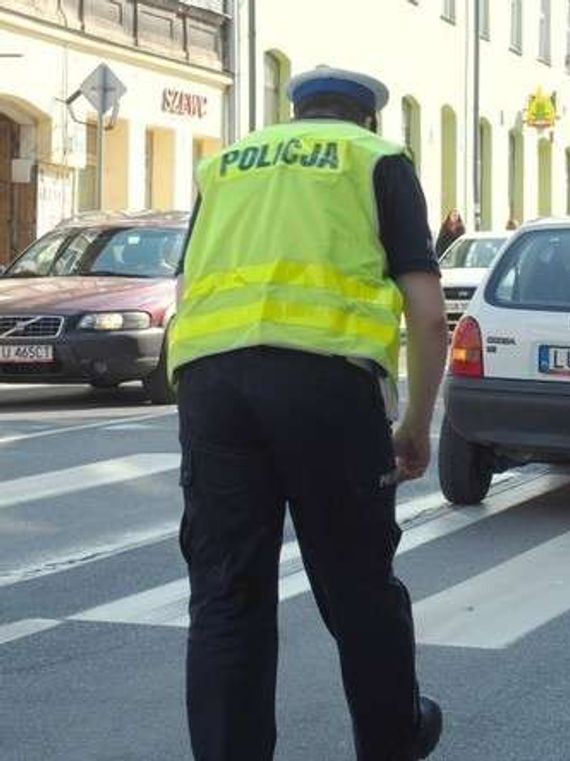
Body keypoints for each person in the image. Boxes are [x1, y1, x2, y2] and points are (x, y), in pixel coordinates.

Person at [169, 66, 447, 761]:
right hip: (324, 385)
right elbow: (428, 310)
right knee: (358, 588)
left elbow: (188, 283)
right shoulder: (375, 160)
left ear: (294, 113)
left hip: (212, 382)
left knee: (227, 595)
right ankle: (392, 740)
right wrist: (416, 423)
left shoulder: (225, 166)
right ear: (367, 118)